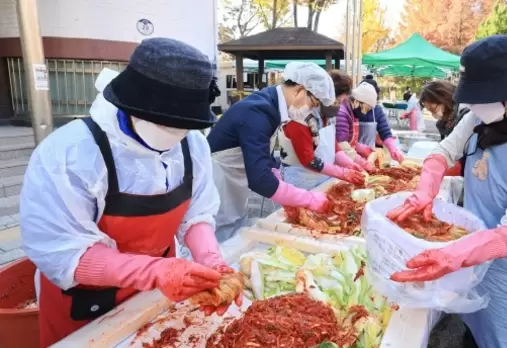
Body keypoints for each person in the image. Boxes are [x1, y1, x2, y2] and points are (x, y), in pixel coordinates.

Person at [20, 38, 238, 347]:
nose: (175, 134)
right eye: (166, 124)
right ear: (130, 105)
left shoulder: (193, 145)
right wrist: (154, 271)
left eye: (184, 126)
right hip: (82, 299)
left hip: (157, 290)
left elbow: (198, 213)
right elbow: (64, 252)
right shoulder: (70, 154)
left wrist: (210, 259)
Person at [387, 35, 507, 348]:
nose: (472, 105)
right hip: (476, 259)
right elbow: (442, 153)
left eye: (480, 96)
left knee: (505, 340)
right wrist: (425, 191)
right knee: (474, 331)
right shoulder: (482, 118)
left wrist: (452, 254)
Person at [207, 62, 334, 242]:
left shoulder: (271, 106)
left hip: (235, 180)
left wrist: (275, 173)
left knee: (234, 227)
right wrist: (307, 198)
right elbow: (260, 180)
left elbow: (260, 155)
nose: (310, 110)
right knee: (219, 234)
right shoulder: (258, 111)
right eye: (312, 103)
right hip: (219, 181)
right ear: (299, 89)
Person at [280, 70, 366, 190]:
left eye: (341, 103)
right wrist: (342, 172)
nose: (338, 107)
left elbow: (333, 146)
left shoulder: (328, 116)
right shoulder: (299, 116)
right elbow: (308, 160)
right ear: (323, 96)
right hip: (299, 182)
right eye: (336, 102)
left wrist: (350, 164)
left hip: (323, 178)